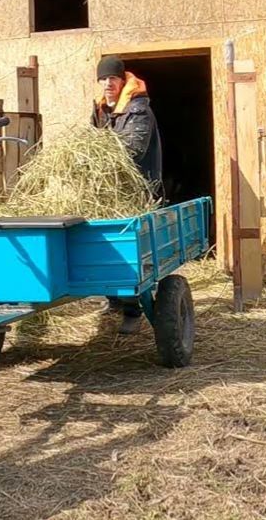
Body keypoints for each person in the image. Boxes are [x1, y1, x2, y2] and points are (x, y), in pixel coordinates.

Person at [90, 55, 162, 334]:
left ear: (122, 81)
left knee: (128, 249)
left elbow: (134, 150)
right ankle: (114, 299)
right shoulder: (100, 109)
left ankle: (134, 309)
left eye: (113, 78)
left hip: (136, 189)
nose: (108, 83)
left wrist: (98, 160)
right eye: (103, 78)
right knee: (103, 243)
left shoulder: (138, 110)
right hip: (109, 189)